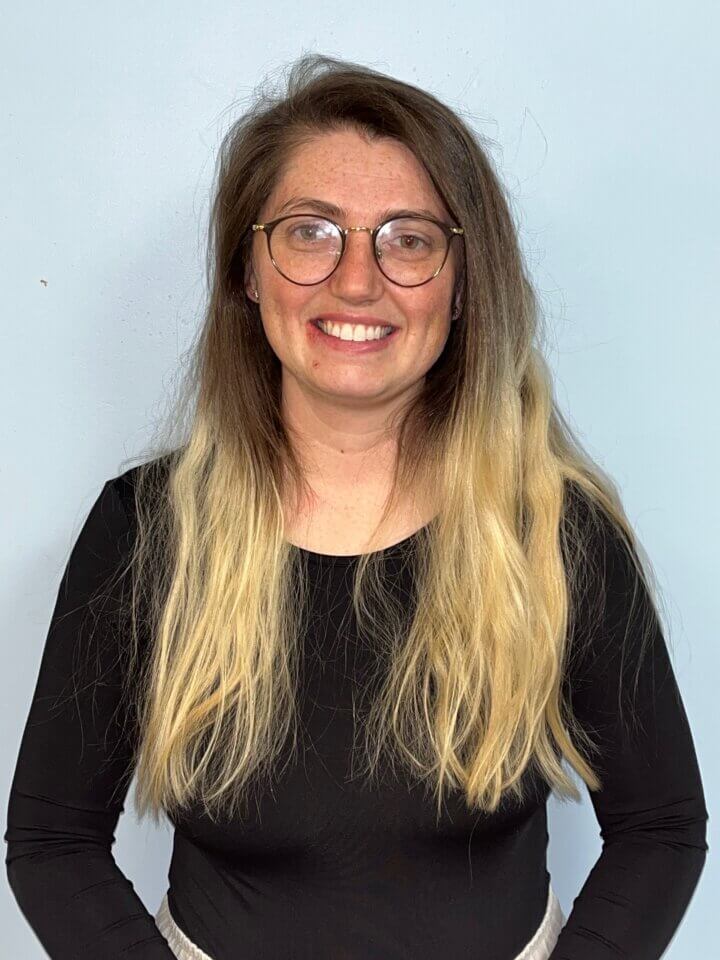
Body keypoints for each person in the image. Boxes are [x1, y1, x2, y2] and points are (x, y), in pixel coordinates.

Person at [4, 54, 709, 960]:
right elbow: (52, 845)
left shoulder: (557, 533)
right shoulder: (145, 531)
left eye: (407, 238)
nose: (356, 281)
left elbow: (660, 829)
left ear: (463, 286)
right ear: (248, 271)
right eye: (311, 232)